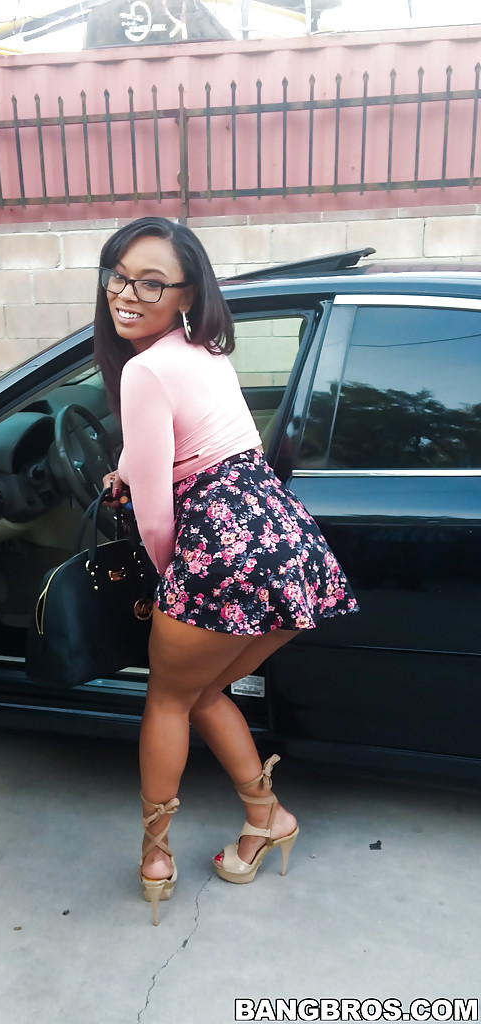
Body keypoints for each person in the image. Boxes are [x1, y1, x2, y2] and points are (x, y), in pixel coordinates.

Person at [93, 216, 358, 925]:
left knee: (168, 699)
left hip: (222, 554)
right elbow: (183, 441)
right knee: (205, 690)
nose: (127, 293)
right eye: (119, 275)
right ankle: (267, 817)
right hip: (288, 547)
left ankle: (155, 856)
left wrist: (168, 582)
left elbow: (155, 514)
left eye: (152, 282)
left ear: (187, 293)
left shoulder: (145, 369)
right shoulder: (205, 349)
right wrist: (126, 468)